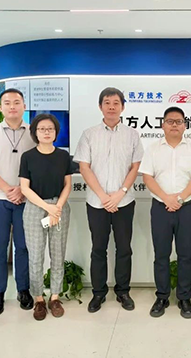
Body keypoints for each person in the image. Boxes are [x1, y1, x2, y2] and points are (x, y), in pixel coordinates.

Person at [73, 87, 143, 313]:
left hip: (124, 201)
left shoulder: (132, 134)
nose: (111, 107)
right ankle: (98, 293)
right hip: (97, 202)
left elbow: (135, 167)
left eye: (116, 103)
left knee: (124, 248)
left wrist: (121, 192)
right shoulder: (89, 134)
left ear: (123, 107)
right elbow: (84, 167)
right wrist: (103, 196)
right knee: (98, 249)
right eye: (107, 102)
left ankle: (123, 291)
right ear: (100, 106)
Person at [140, 106, 191, 319]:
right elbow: (147, 177)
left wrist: (178, 199)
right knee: (161, 255)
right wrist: (166, 198)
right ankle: (162, 296)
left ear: (185, 125)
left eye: (179, 121)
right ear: (163, 124)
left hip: (186, 208)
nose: (174, 125)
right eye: (170, 121)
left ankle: (184, 298)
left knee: (185, 255)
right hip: (160, 208)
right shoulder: (152, 149)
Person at [0, 88, 36, 315]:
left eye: (17, 102)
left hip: (25, 199)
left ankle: (23, 289)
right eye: (7, 102)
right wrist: (7, 189)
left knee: (23, 247)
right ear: (1, 107)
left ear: (24, 106)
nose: (12, 106)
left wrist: (21, 190)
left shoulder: (33, 133)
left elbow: (38, 165)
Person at [19, 114, 72, 321]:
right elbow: (25, 188)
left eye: (50, 129)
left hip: (59, 207)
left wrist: (57, 207)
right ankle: (39, 299)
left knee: (58, 254)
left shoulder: (63, 156)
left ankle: (55, 297)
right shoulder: (28, 156)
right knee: (35, 256)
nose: (46, 132)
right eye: (42, 129)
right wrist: (47, 207)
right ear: (35, 133)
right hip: (35, 208)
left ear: (56, 132)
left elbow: (67, 184)